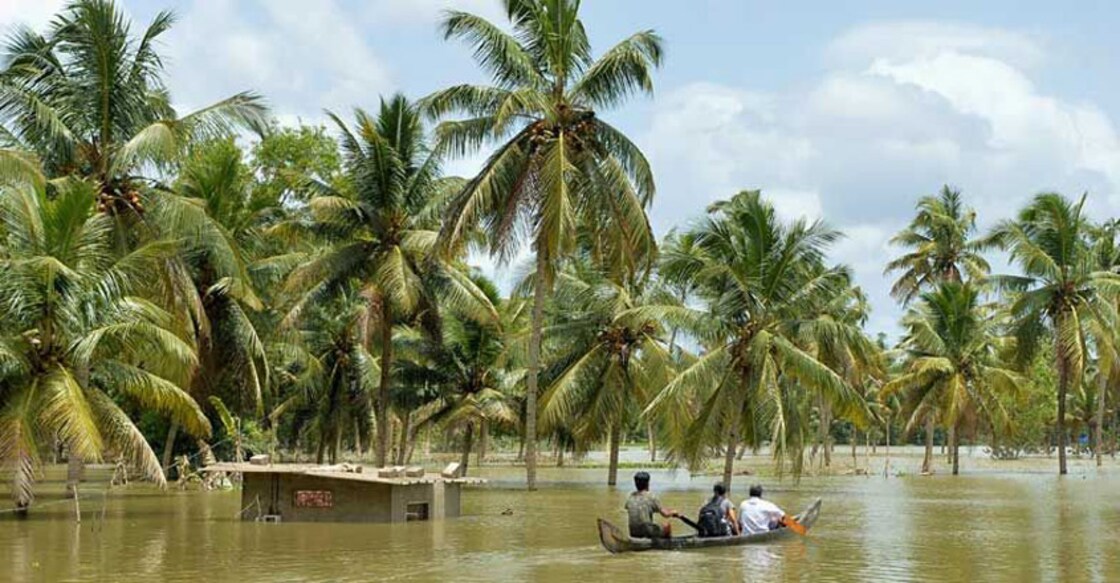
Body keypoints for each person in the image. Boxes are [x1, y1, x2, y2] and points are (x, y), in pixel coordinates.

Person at [624, 471, 679, 539]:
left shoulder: (630, 497)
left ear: (636, 484)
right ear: (647, 483)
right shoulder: (651, 496)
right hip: (647, 532)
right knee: (667, 526)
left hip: (633, 533)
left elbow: (631, 508)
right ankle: (666, 545)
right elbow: (665, 514)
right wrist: (674, 512)